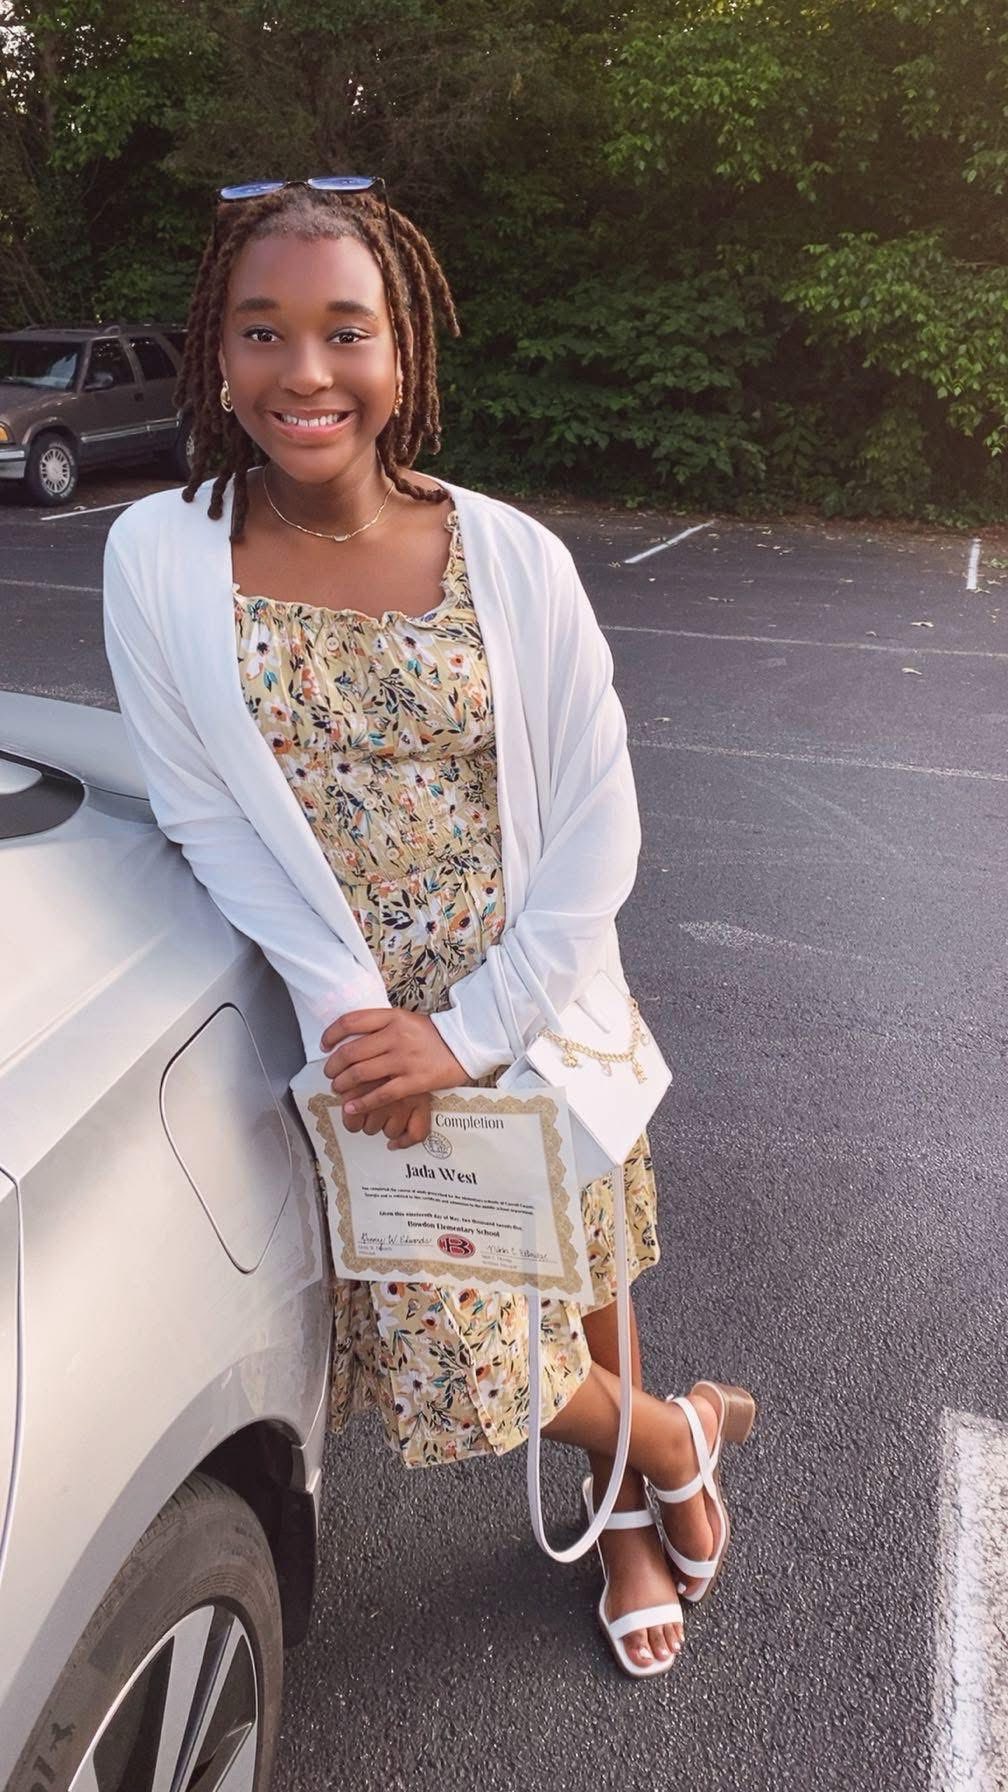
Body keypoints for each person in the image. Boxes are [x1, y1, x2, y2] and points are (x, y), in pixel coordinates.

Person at [101, 175, 757, 1679]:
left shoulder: (511, 557)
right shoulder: (158, 556)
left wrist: (474, 1029)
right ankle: (671, 1431)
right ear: (218, 350)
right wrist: (368, 1022)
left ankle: (631, 1516)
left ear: (403, 355)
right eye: (263, 332)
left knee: (585, 1267)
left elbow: (600, 820)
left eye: (345, 331)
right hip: (361, 1030)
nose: (305, 373)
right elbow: (204, 811)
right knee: (473, 1352)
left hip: (531, 990)